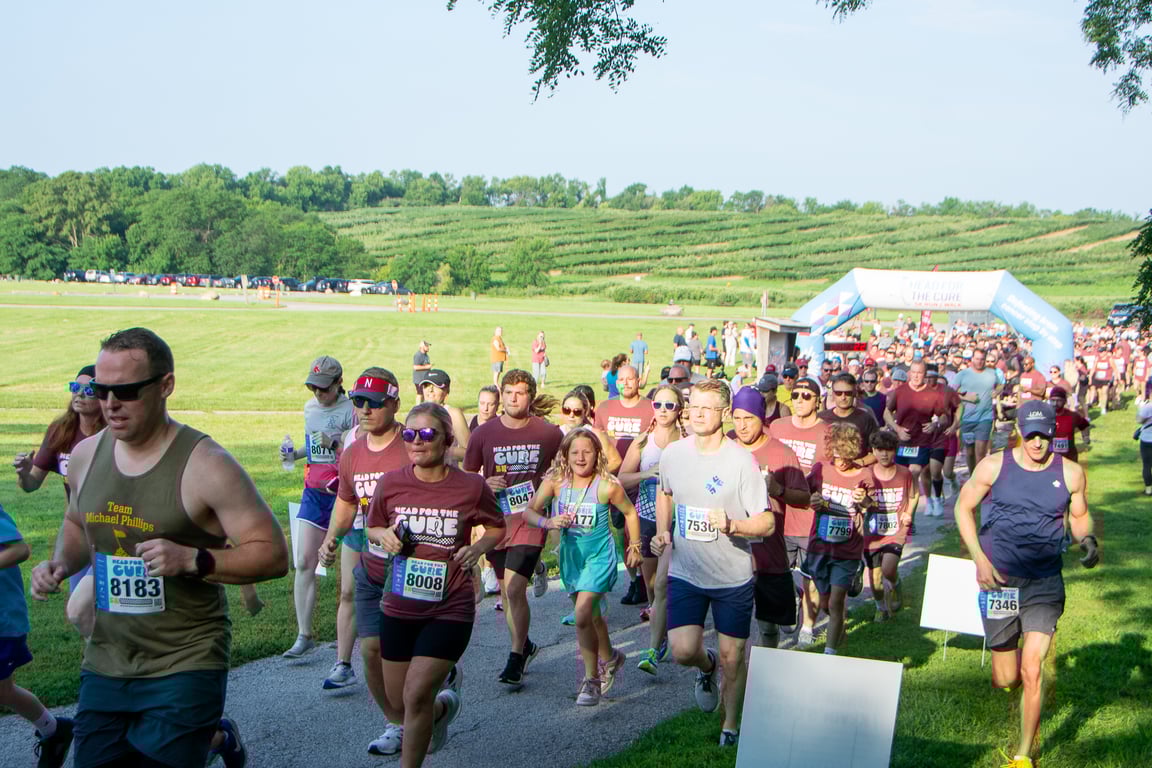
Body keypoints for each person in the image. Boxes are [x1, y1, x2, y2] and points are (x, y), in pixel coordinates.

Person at [30, 327, 290, 768]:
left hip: (185, 660)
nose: (111, 403)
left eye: (127, 391)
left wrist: (194, 559)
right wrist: (57, 563)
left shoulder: (207, 465)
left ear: (165, 385)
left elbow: (272, 553)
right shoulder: (86, 455)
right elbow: (77, 522)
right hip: (107, 658)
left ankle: (216, 737)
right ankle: (219, 740)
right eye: (103, 389)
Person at [953, 400, 1098, 768]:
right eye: (1030, 434)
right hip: (999, 579)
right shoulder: (994, 465)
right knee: (1007, 678)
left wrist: (1087, 540)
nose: (1037, 443)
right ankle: (1015, 674)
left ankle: (1022, 755)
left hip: (1045, 581)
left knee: (1032, 668)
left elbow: (1079, 516)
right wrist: (979, 559)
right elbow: (962, 507)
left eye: (1044, 435)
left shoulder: (1070, 472)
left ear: (1053, 433)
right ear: (1019, 430)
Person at [366, 403, 505, 767]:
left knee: (414, 695)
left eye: (427, 434)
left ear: (446, 440)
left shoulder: (470, 487)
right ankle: (443, 709)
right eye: (409, 433)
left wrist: (476, 549)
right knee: (399, 703)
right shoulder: (391, 484)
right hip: (399, 605)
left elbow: (496, 527)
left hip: (450, 605)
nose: (416, 441)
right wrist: (385, 537)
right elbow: (373, 525)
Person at [650, 378, 773, 748]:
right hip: (686, 571)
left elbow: (766, 522)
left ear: (723, 414)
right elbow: (664, 492)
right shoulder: (674, 454)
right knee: (683, 650)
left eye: (707, 408)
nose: (697, 413)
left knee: (734, 656)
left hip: (731, 576)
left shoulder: (741, 462)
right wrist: (662, 531)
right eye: (694, 405)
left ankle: (731, 726)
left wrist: (733, 524)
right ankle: (706, 668)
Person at [319, 368, 411, 755]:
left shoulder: (414, 443)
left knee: (404, 651)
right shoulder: (353, 453)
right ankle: (397, 721)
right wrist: (331, 539)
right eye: (358, 402)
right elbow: (345, 502)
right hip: (372, 567)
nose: (364, 409)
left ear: (394, 403)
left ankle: (423, 701)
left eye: (374, 403)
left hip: (414, 567)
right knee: (371, 650)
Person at [523, 429, 642, 706]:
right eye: (574, 452)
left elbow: (629, 512)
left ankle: (591, 680)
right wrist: (548, 523)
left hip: (599, 558)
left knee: (581, 614)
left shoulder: (606, 485)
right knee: (593, 617)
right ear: (565, 455)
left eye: (587, 451)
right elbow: (530, 512)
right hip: (571, 558)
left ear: (597, 454)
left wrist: (634, 547)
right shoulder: (556, 482)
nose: (581, 457)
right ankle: (612, 658)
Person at [463, 370, 562, 687]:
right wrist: (483, 482)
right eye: (508, 392)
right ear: (501, 395)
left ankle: (516, 656)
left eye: (520, 393)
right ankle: (527, 644)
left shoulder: (549, 434)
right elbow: (466, 478)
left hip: (530, 520)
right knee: (507, 594)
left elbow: (561, 471)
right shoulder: (483, 433)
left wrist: (548, 491)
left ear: (531, 396)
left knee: (516, 589)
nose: (513, 398)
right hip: (495, 523)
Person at [13, 364, 107, 636]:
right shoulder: (61, 430)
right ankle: (98, 662)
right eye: (75, 387)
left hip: (111, 528)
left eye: (88, 389)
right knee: (80, 608)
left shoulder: (114, 434)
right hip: (77, 531)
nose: (79, 394)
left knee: (103, 604)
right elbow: (31, 485)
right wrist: (23, 472)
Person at [282, 355, 356, 661]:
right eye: (313, 388)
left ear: (339, 383)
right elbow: (312, 447)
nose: (318, 394)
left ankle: (362, 630)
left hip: (344, 494)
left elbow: (357, 454)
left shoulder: (352, 410)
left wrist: (336, 445)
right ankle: (304, 635)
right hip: (314, 491)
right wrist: (291, 453)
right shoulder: (310, 409)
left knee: (354, 573)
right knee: (303, 561)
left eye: (324, 389)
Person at [728, 387, 809, 650]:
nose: (741, 426)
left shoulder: (782, 453)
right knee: (732, 627)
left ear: (762, 418)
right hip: (729, 549)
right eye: (736, 418)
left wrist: (778, 490)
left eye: (748, 418)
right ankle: (735, 677)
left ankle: (763, 674)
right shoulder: (724, 446)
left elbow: (804, 498)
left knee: (769, 626)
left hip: (769, 551)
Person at [618, 383, 686, 673]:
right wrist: (647, 473)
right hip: (646, 517)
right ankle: (661, 626)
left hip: (677, 521)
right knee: (650, 584)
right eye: (658, 405)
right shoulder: (643, 441)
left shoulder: (687, 441)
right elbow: (621, 478)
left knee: (663, 583)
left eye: (669, 405)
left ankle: (655, 645)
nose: (663, 411)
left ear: (679, 410)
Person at [1, 502, 75, 767]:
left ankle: (55, 731)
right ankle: (55, 730)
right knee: (3, 691)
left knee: (3, 690)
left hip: (3, 619)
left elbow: (20, 549)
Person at [768, 377, 827, 647]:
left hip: (809, 514)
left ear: (818, 400)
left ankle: (809, 625)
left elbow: (827, 472)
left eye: (807, 395)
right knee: (779, 571)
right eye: (796, 395)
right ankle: (790, 599)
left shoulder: (826, 431)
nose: (800, 400)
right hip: (779, 512)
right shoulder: (778, 426)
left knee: (810, 576)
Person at [806, 423, 872, 655]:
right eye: (836, 455)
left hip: (848, 549)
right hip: (820, 547)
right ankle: (839, 633)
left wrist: (863, 499)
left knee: (835, 603)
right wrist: (813, 500)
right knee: (825, 604)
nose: (840, 461)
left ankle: (830, 653)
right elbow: (805, 495)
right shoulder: (821, 469)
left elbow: (870, 505)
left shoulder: (864, 475)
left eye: (845, 456)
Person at [592, 364, 654, 606]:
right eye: (621, 380)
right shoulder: (605, 408)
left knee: (642, 529)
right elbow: (598, 441)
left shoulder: (650, 407)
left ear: (639, 381)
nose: (626, 383)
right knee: (621, 530)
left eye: (630, 379)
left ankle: (649, 577)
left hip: (644, 478)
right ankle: (634, 578)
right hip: (615, 478)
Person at [885, 360, 950, 518]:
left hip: (922, 441)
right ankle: (904, 505)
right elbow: (886, 413)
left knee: (914, 471)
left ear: (924, 374)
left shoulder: (932, 394)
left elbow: (944, 416)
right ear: (909, 373)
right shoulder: (900, 391)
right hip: (902, 441)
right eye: (913, 373)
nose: (916, 376)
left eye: (919, 373)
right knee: (901, 475)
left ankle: (911, 512)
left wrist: (935, 424)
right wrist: (898, 429)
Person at [863, 430, 915, 622]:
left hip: (895, 531)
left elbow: (913, 495)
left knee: (888, 569)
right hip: (872, 533)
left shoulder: (904, 473)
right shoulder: (866, 474)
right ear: (873, 451)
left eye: (889, 450)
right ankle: (881, 607)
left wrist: (909, 513)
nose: (884, 454)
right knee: (875, 578)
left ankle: (895, 583)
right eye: (879, 450)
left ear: (895, 450)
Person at [558, 390, 622, 471]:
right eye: (566, 410)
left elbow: (615, 461)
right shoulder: (556, 433)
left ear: (585, 412)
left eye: (577, 411)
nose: (571, 415)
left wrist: (593, 478)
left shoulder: (595, 434)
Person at [419, 369, 471, 463]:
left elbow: (470, 452)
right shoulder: (416, 414)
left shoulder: (453, 413)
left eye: (435, 386)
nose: (430, 390)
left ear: (446, 390)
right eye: (426, 386)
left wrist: (440, 450)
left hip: (446, 473)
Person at [1048, 387, 1091, 463]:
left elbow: (1084, 425)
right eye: (1053, 400)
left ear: (1064, 401)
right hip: (1050, 456)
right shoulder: (1045, 416)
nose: (1055, 403)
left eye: (1058, 401)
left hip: (1070, 456)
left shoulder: (1072, 416)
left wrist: (1086, 436)